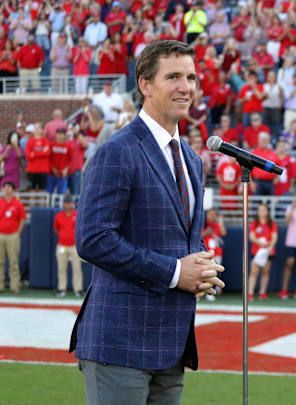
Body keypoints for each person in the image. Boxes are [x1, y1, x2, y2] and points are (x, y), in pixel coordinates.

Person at [70, 40, 225, 404]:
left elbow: (185, 237)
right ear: (145, 84)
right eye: (173, 77)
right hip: (120, 339)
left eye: (191, 77)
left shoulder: (191, 158)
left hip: (171, 341)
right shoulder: (117, 150)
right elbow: (93, 239)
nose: (185, 87)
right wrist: (175, 272)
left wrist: (200, 263)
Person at [248, 203, 277, 302]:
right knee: (254, 272)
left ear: (267, 211)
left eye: (263, 210)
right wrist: (259, 242)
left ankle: (262, 292)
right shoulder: (254, 223)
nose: (261, 212)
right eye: (259, 210)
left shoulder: (272, 224)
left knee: (265, 272)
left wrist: (270, 245)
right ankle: (250, 292)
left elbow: (274, 237)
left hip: (268, 251)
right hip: (256, 250)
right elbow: (251, 237)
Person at [54, 195, 82, 297]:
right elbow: (56, 229)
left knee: (77, 268)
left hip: (74, 246)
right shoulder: (59, 216)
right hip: (62, 245)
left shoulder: (77, 214)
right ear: (63, 204)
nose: (68, 204)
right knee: (61, 268)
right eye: (66, 203)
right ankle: (62, 289)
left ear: (73, 204)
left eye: (70, 202)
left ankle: (78, 289)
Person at [0, 182, 26, 294]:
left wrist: (18, 233)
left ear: (13, 190)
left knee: (14, 262)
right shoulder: (0, 203)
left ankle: (14, 286)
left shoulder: (17, 203)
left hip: (13, 236)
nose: (6, 189)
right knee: (0, 262)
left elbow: (22, 219)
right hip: (1, 235)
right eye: (4, 187)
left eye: (9, 187)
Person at [202, 208, 227, 301]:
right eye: (210, 214)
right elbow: (199, 236)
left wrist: (221, 222)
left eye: (214, 214)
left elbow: (223, 233)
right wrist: (206, 233)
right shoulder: (203, 224)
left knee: (216, 272)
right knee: (206, 273)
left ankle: (213, 290)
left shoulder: (217, 225)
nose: (212, 216)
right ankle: (205, 292)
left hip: (217, 253)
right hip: (206, 253)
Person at [25, 124, 50, 191]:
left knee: (42, 191)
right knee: (32, 191)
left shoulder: (46, 141)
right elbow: (28, 156)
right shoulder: (29, 142)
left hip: (43, 170)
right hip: (31, 170)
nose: (36, 129)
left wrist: (34, 153)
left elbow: (47, 153)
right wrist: (42, 152)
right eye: (36, 128)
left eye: (39, 128)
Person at [48, 128, 72, 196]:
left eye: (61, 134)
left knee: (62, 194)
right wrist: (52, 168)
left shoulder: (68, 146)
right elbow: (48, 159)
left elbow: (71, 160)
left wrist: (67, 169)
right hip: (51, 174)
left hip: (62, 174)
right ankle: (49, 206)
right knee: (49, 193)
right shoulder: (51, 145)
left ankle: (61, 206)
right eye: (58, 134)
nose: (59, 135)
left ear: (64, 135)